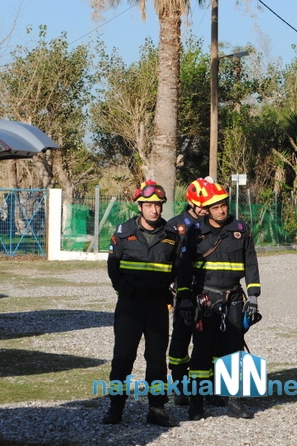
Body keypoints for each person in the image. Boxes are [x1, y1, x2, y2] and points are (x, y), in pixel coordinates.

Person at [176, 179, 261, 421]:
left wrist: (253, 296)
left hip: (233, 297)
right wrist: (184, 298)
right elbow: (184, 269)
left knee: (233, 351)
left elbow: (251, 263)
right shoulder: (194, 232)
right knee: (202, 352)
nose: (221, 210)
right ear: (206, 209)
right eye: (215, 207)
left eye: (223, 204)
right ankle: (196, 403)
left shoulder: (241, 229)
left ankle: (233, 402)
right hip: (205, 299)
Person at [102, 180, 181, 427]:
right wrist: (126, 290)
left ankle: (157, 409)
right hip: (130, 306)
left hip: (157, 306)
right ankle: (116, 407)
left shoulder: (171, 236)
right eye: (149, 205)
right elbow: (113, 268)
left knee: (157, 360)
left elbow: (177, 269)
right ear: (140, 206)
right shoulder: (123, 233)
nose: (154, 210)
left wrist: (171, 291)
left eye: (158, 205)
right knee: (123, 358)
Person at [166, 178, 210, 406]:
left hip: (209, 292)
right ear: (191, 203)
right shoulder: (174, 226)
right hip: (183, 292)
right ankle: (180, 385)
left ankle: (206, 388)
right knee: (180, 340)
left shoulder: (214, 224)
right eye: (201, 205)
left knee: (209, 340)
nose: (205, 209)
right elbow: (167, 259)